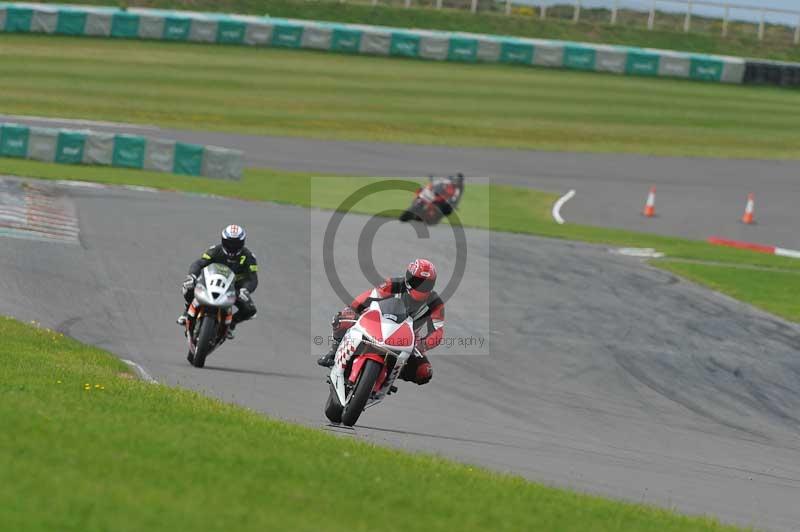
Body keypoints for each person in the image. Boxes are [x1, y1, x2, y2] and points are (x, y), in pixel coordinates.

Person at [317, 259, 444, 386]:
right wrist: (353, 309)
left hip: (405, 340)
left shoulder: (435, 302)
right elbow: (368, 296)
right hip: (377, 323)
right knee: (341, 319)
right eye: (417, 282)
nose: (420, 287)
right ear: (408, 278)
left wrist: (421, 345)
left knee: (424, 372)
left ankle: (391, 374)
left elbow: (437, 332)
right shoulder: (393, 284)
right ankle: (333, 352)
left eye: (425, 284)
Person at [177, 224, 258, 339]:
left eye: (236, 244)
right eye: (229, 243)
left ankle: (231, 324)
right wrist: (192, 276)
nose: (232, 246)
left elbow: (252, 278)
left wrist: (246, 290)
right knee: (188, 287)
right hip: (210, 282)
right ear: (223, 240)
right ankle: (186, 312)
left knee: (250, 310)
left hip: (233, 288)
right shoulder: (215, 250)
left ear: (242, 243)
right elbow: (199, 263)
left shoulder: (249, 257)